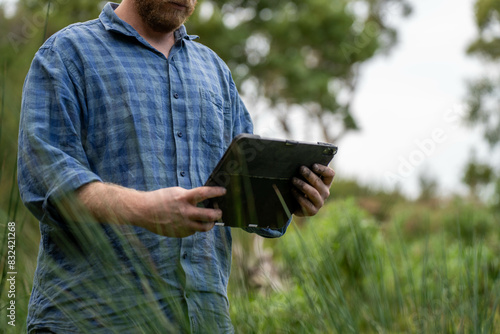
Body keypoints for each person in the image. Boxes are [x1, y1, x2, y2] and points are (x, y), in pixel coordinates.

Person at [17, 0, 335, 332]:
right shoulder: (66, 54)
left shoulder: (215, 71)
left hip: (205, 320)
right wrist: (143, 209)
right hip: (91, 320)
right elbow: (45, 183)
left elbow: (244, 189)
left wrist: (292, 195)